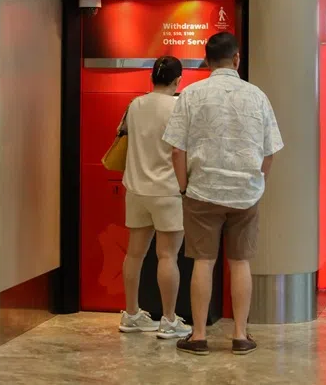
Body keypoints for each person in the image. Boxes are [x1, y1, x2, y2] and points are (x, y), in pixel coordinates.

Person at [163, 32, 283, 356]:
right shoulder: (257, 96)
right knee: (240, 261)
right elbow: (270, 151)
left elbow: (177, 149)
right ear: (237, 59)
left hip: (202, 190)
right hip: (245, 193)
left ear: (206, 61)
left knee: (203, 261)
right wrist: (259, 182)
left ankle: (199, 335)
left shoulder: (190, 94)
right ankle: (241, 335)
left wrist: (184, 187)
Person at [117, 56, 192, 340]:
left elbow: (122, 134)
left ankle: (132, 313)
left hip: (136, 189)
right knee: (167, 255)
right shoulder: (178, 106)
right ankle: (169, 319)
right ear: (177, 79)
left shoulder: (135, 105)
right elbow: (182, 150)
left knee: (134, 253)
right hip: (167, 191)